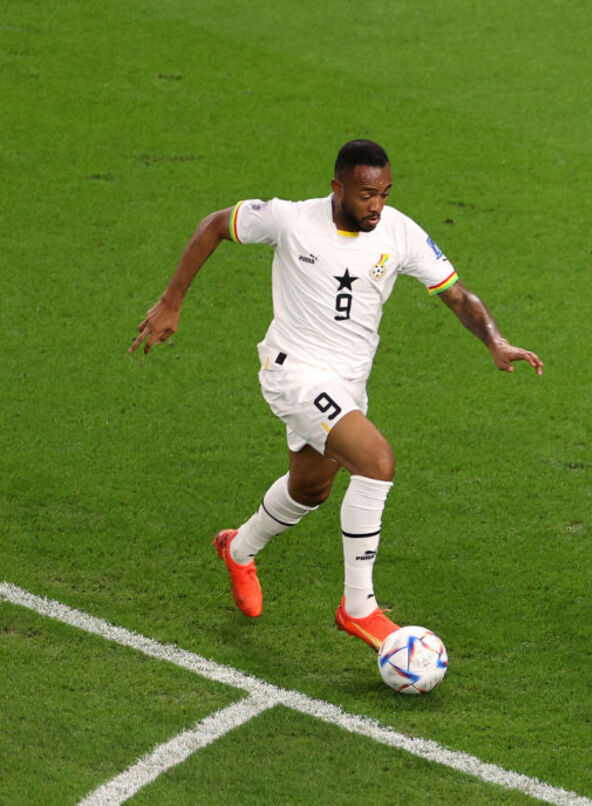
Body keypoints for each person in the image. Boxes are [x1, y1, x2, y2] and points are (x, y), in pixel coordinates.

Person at [130, 139, 543, 651]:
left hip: (348, 384)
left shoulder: (400, 231)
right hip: (295, 373)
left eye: (386, 193)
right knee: (377, 461)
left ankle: (238, 549)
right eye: (368, 194)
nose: (377, 205)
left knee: (310, 490)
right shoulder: (291, 220)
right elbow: (216, 224)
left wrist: (495, 340)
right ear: (338, 188)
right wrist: (171, 302)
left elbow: (456, 294)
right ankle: (359, 608)